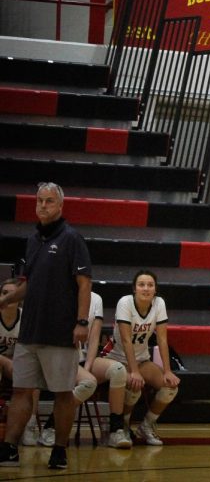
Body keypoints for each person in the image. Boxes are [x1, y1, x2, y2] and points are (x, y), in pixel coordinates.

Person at [0, 182, 92, 470]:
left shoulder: (72, 239)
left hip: (60, 333)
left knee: (62, 393)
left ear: (60, 206)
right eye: (39, 201)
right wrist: (4, 300)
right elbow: (27, 285)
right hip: (30, 332)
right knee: (21, 391)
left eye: (49, 201)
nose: (42, 206)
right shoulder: (32, 240)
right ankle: (10, 449)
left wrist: (81, 322)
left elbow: (84, 284)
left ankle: (59, 451)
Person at [97, 269, 179, 446]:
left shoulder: (159, 303)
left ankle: (146, 426)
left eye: (150, 285)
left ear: (155, 289)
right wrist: (134, 371)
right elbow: (126, 340)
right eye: (141, 284)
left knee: (170, 387)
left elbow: (163, 339)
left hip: (142, 359)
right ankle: (123, 426)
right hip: (115, 358)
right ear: (134, 288)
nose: (146, 288)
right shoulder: (125, 302)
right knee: (134, 386)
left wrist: (167, 371)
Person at [38, 291, 103, 448]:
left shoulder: (95, 299)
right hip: (51, 353)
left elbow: (94, 339)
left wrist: (87, 366)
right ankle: (31, 427)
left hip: (76, 360)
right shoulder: (56, 293)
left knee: (89, 382)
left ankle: (51, 426)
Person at [0, 279, 21, 383]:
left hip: (17, 363)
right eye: (4, 293)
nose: (8, 297)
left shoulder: (27, 318)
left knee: (30, 372)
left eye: (12, 293)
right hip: (6, 363)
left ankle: (32, 400)